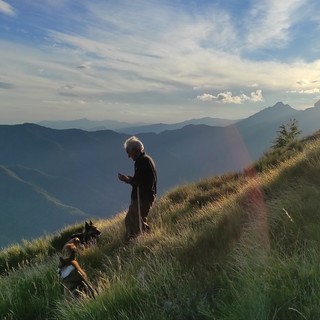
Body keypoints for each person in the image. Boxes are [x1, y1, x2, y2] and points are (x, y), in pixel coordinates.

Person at [118, 136, 157, 243]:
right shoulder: (146, 160)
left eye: (129, 152)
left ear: (135, 150)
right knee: (134, 220)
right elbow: (141, 180)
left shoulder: (142, 162)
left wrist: (127, 180)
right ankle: (140, 241)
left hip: (142, 198)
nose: (129, 156)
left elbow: (139, 182)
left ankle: (137, 242)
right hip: (145, 197)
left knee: (134, 222)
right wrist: (130, 179)